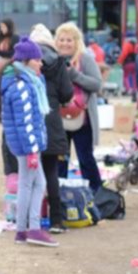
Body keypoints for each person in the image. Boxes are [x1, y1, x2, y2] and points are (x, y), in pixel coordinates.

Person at [0, 37, 55, 247]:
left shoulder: (23, 81)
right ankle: (31, 228)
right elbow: (25, 121)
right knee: (29, 185)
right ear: (28, 60)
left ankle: (25, 229)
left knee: (35, 183)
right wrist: (31, 150)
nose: (41, 63)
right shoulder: (22, 85)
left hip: (25, 144)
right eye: (38, 59)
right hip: (27, 146)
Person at [29, 25, 74, 234]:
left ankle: (31, 220)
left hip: (29, 122)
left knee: (28, 173)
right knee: (51, 171)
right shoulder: (58, 62)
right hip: (52, 122)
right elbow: (67, 93)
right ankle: (56, 220)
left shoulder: (25, 62)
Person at [55, 23, 104, 192]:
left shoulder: (85, 58)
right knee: (60, 159)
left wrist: (75, 75)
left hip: (83, 119)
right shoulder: (53, 59)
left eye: (69, 40)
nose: (65, 43)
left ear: (76, 42)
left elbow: (97, 84)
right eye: (61, 39)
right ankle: (59, 196)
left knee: (85, 158)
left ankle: (96, 193)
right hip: (59, 118)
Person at [117, 32, 138, 100]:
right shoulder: (137, 45)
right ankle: (135, 89)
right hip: (135, 63)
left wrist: (119, 62)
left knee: (125, 76)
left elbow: (124, 54)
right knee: (134, 76)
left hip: (127, 63)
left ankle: (128, 89)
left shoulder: (127, 44)